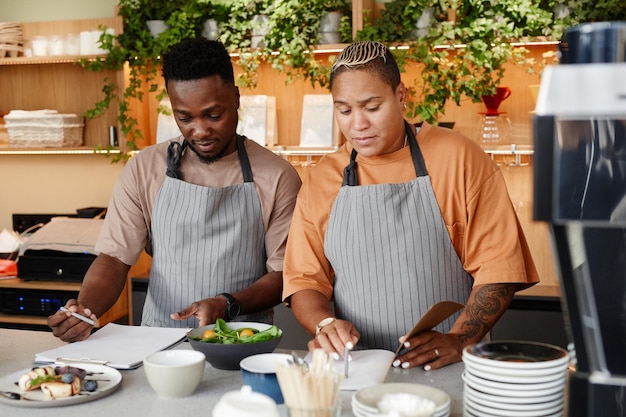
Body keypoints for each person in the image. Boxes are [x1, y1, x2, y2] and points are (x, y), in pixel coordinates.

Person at [282, 41, 539, 370]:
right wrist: (323, 324)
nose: (357, 124)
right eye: (344, 110)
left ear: (401, 96)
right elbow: (305, 280)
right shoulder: (323, 177)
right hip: (358, 367)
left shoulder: (458, 158)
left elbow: (500, 268)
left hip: (449, 364)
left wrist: (460, 339)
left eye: (371, 107)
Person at [48, 38, 302, 342]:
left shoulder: (277, 176)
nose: (200, 130)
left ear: (236, 98)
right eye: (185, 118)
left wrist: (226, 304)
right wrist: (85, 310)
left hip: (241, 342)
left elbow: (284, 275)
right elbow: (114, 259)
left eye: (213, 115)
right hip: (157, 344)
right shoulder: (144, 169)